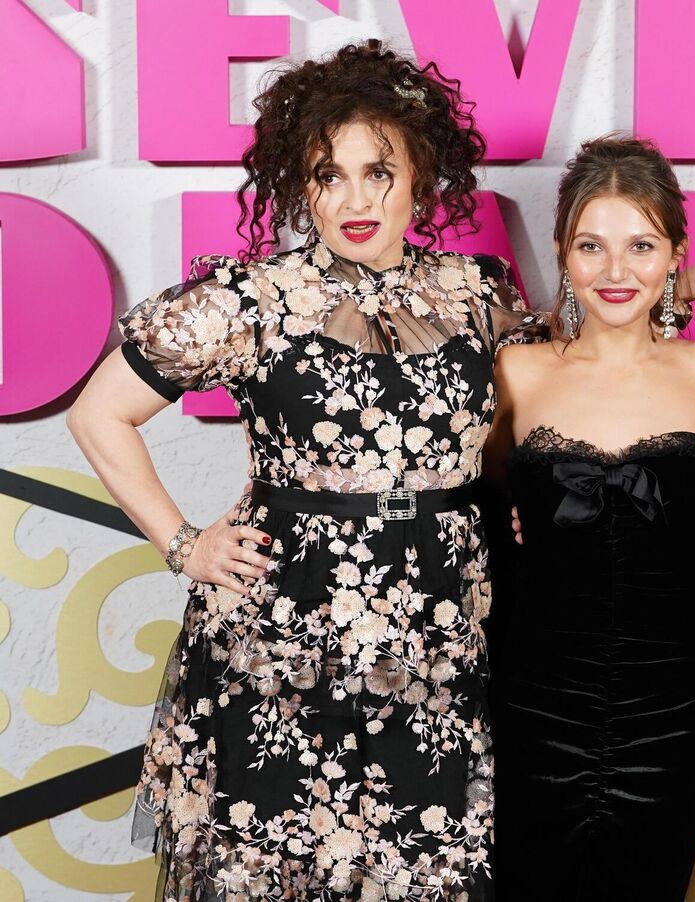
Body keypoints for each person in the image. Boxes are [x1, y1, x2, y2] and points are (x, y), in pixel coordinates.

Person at [68, 41, 529, 900]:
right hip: (285, 632)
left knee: (425, 867)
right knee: (277, 867)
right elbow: (98, 414)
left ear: (422, 176)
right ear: (299, 184)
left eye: (378, 172)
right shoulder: (251, 300)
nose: (354, 200)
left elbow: (563, 386)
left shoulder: (478, 293)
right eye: (328, 175)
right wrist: (183, 544)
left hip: (436, 631)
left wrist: (678, 288)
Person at [484, 135, 695, 901]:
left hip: (675, 710)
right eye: (591, 246)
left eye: (641, 246)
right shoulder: (516, 370)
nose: (615, 271)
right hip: (534, 707)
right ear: (562, 253)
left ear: (674, 254)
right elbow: (485, 516)